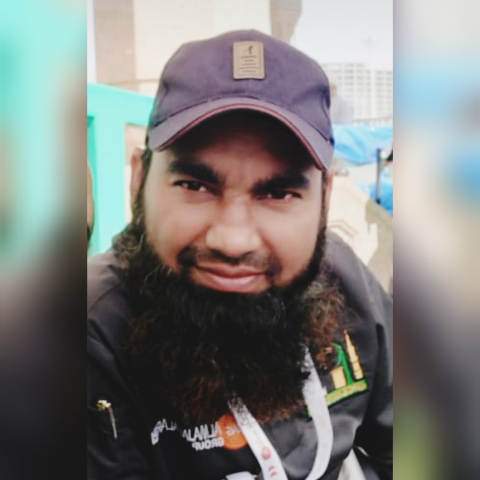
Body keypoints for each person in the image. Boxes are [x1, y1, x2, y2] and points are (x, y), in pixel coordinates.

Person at [88, 30, 392, 480]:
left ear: (324, 200)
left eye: (279, 193)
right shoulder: (85, 338)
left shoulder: (346, 282)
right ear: (139, 181)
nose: (233, 241)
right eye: (194, 185)